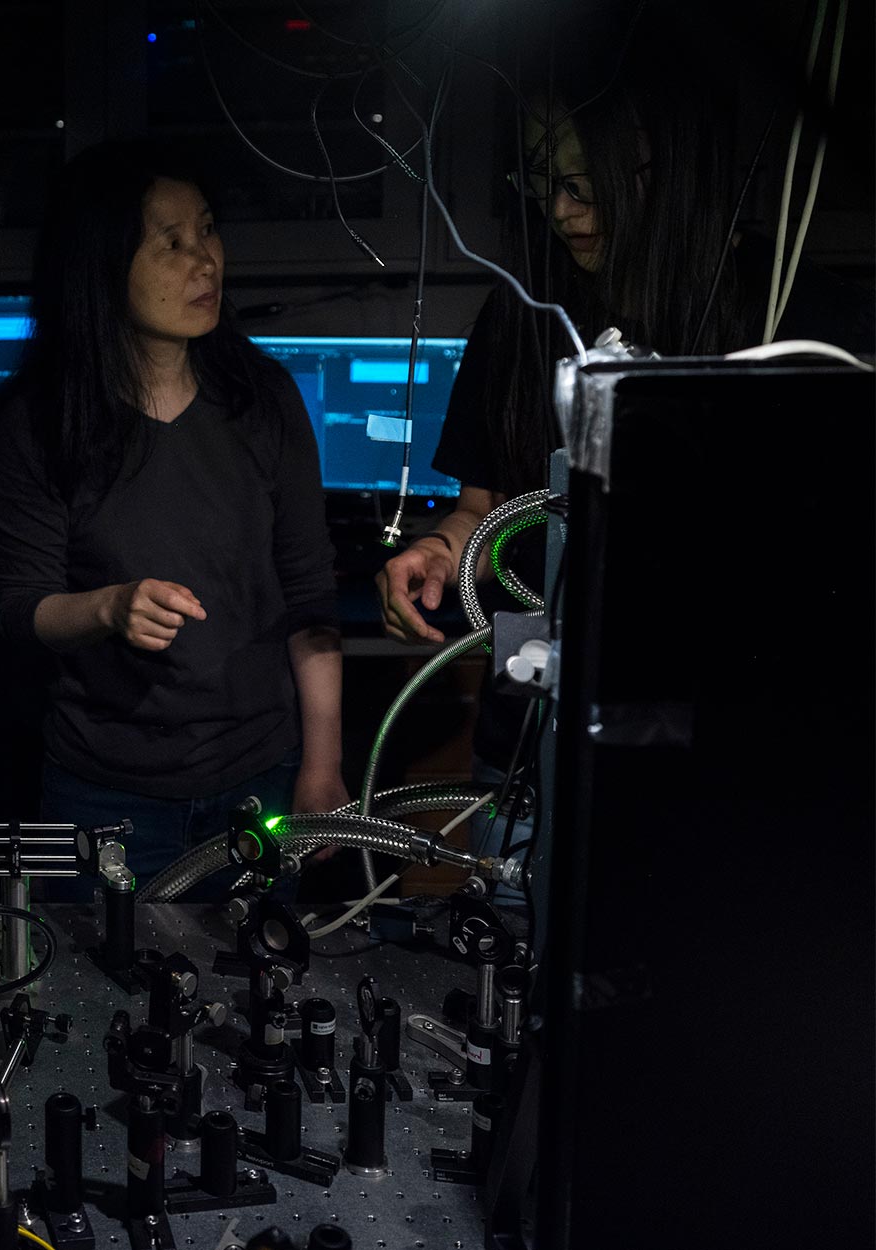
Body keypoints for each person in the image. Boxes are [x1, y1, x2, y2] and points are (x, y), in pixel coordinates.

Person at [374, 22, 874, 865]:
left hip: (719, 755)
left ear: (660, 164)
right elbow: (484, 509)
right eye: (540, 179)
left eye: (584, 181)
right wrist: (435, 549)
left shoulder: (794, 311)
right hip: (532, 739)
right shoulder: (519, 312)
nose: (562, 210)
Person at [0, 139, 350, 891]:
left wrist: (323, 764)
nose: (205, 261)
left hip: (260, 775)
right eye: (172, 243)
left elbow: (310, 595)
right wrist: (109, 607)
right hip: (104, 792)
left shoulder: (264, 398)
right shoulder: (38, 422)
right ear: (102, 264)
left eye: (209, 231)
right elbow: (23, 609)